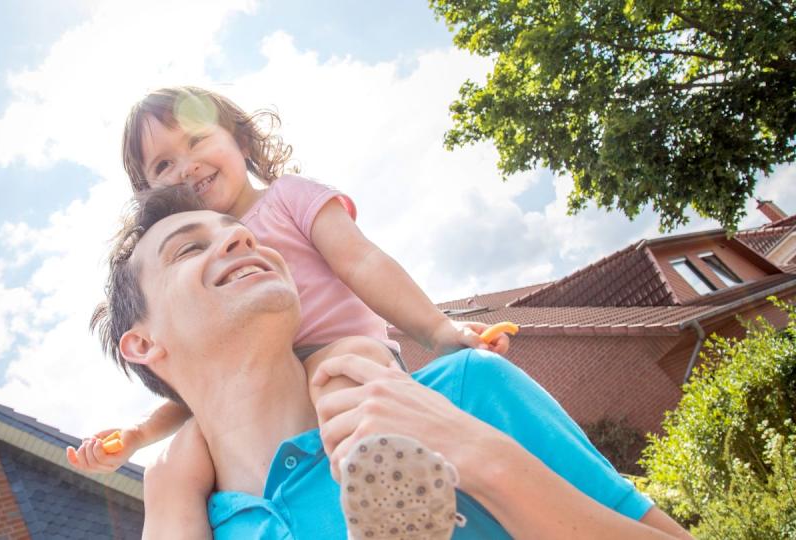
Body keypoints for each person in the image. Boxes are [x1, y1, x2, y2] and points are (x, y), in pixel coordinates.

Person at [91, 187, 691, 538]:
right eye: (190, 249)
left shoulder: (464, 392)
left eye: (240, 232)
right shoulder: (194, 517)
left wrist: (480, 457)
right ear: (142, 344)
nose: (243, 239)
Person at [69, 87, 512, 536]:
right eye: (163, 165)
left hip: (343, 353)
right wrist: (139, 437)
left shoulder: (289, 198)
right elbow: (193, 388)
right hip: (252, 389)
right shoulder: (192, 271)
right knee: (169, 467)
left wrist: (435, 329)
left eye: (197, 140)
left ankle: (390, 498)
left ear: (241, 141)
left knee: (342, 370)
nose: (186, 166)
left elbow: (361, 260)